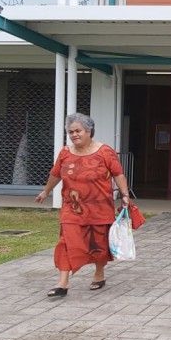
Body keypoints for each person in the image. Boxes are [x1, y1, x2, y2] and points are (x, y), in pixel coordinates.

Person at [35, 113, 130, 297]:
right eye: (70, 132)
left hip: (99, 207)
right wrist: (46, 191)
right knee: (66, 242)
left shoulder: (105, 151)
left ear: (89, 131)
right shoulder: (65, 153)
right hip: (72, 207)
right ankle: (63, 283)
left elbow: (118, 174)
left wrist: (124, 195)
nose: (74, 135)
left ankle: (99, 274)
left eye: (78, 131)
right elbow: (56, 174)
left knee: (99, 244)